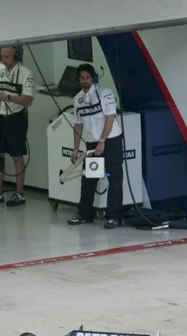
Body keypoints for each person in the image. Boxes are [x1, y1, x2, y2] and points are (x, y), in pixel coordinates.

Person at [68, 63, 124, 230]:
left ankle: (114, 217)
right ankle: (85, 214)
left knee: (114, 178)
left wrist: (102, 141)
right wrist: (76, 148)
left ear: (93, 78)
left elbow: (110, 118)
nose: (85, 81)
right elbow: (78, 125)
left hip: (111, 139)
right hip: (93, 141)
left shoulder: (104, 93)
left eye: (88, 78)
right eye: (82, 78)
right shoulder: (77, 99)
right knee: (88, 178)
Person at [0, 47, 34, 207]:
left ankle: (19, 193)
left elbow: (28, 99)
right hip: (2, 118)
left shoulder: (26, 74)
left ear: (16, 56)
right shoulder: (0, 74)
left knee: (17, 156)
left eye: (7, 56)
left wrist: (8, 97)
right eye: (1, 56)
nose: (3, 59)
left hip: (17, 119)